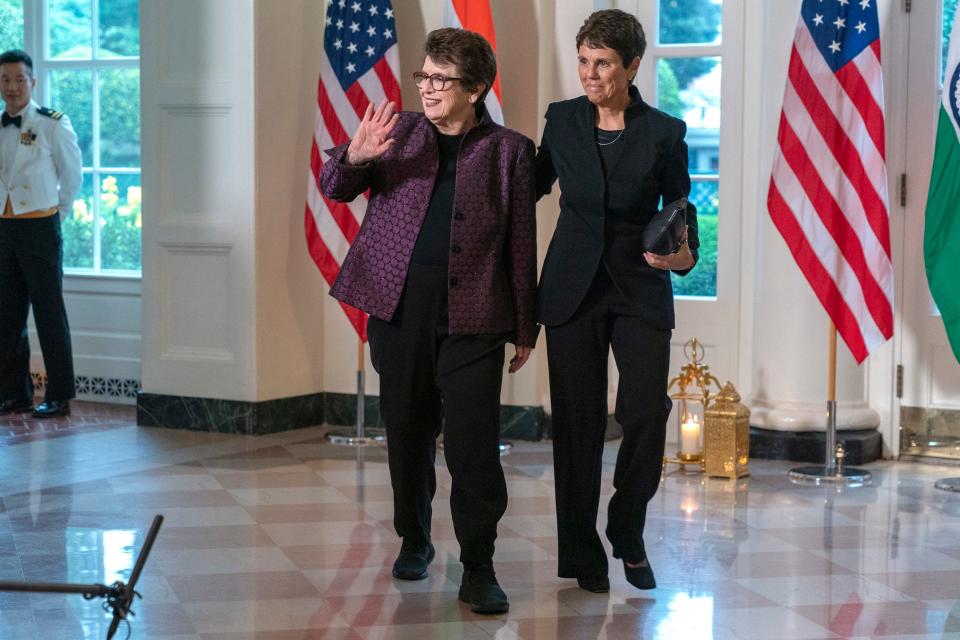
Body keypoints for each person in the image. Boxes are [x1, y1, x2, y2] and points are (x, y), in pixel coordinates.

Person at [319, 28, 537, 614]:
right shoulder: (399, 132)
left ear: (477, 88)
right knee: (408, 434)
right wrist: (357, 154)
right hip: (399, 308)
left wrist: (524, 324)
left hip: (476, 317)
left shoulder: (510, 150)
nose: (428, 88)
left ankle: (479, 565)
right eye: (424, 77)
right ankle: (414, 540)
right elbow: (334, 185)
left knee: (473, 447)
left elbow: (522, 239)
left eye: (442, 79)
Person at [535, 10, 699, 593]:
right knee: (576, 424)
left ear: (632, 66)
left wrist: (682, 260)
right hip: (571, 290)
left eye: (602, 63)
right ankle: (582, 553)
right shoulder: (561, 121)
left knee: (645, 413)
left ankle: (626, 530)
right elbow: (526, 190)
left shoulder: (665, 132)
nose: (589, 73)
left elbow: (684, 219)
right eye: (583, 61)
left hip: (639, 288)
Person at [0, 49, 81, 419]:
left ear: (33, 82)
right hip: (4, 227)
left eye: (19, 79)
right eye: (5, 80)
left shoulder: (51, 123)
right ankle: (15, 393)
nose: (12, 87)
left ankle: (59, 395)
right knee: (7, 315)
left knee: (49, 313)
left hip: (40, 226)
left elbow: (72, 176)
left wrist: (55, 214)